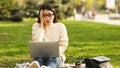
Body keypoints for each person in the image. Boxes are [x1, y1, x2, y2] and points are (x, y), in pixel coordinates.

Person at [29, 3, 68, 68]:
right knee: (39, 59)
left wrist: (55, 52)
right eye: (44, 15)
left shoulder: (61, 26)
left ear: (54, 15)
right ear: (40, 16)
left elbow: (63, 44)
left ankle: (49, 67)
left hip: (56, 56)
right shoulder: (36, 26)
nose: (47, 18)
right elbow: (37, 42)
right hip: (40, 56)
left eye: (50, 15)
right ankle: (37, 65)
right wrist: (41, 24)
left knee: (52, 59)